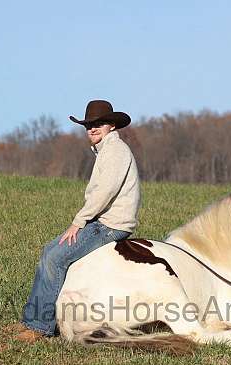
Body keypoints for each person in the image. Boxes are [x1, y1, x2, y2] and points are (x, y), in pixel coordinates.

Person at [14, 100, 141, 342]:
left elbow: (104, 193)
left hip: (110, 226)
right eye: (88, 125)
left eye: (98, 124)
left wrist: (78, 222)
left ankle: (39, 327)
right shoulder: (106, 150)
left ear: (112, 125)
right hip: (102, 222)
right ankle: (31, 321)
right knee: (49, 250)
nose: (92, 129)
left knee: (54, 258)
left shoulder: (116, 151)